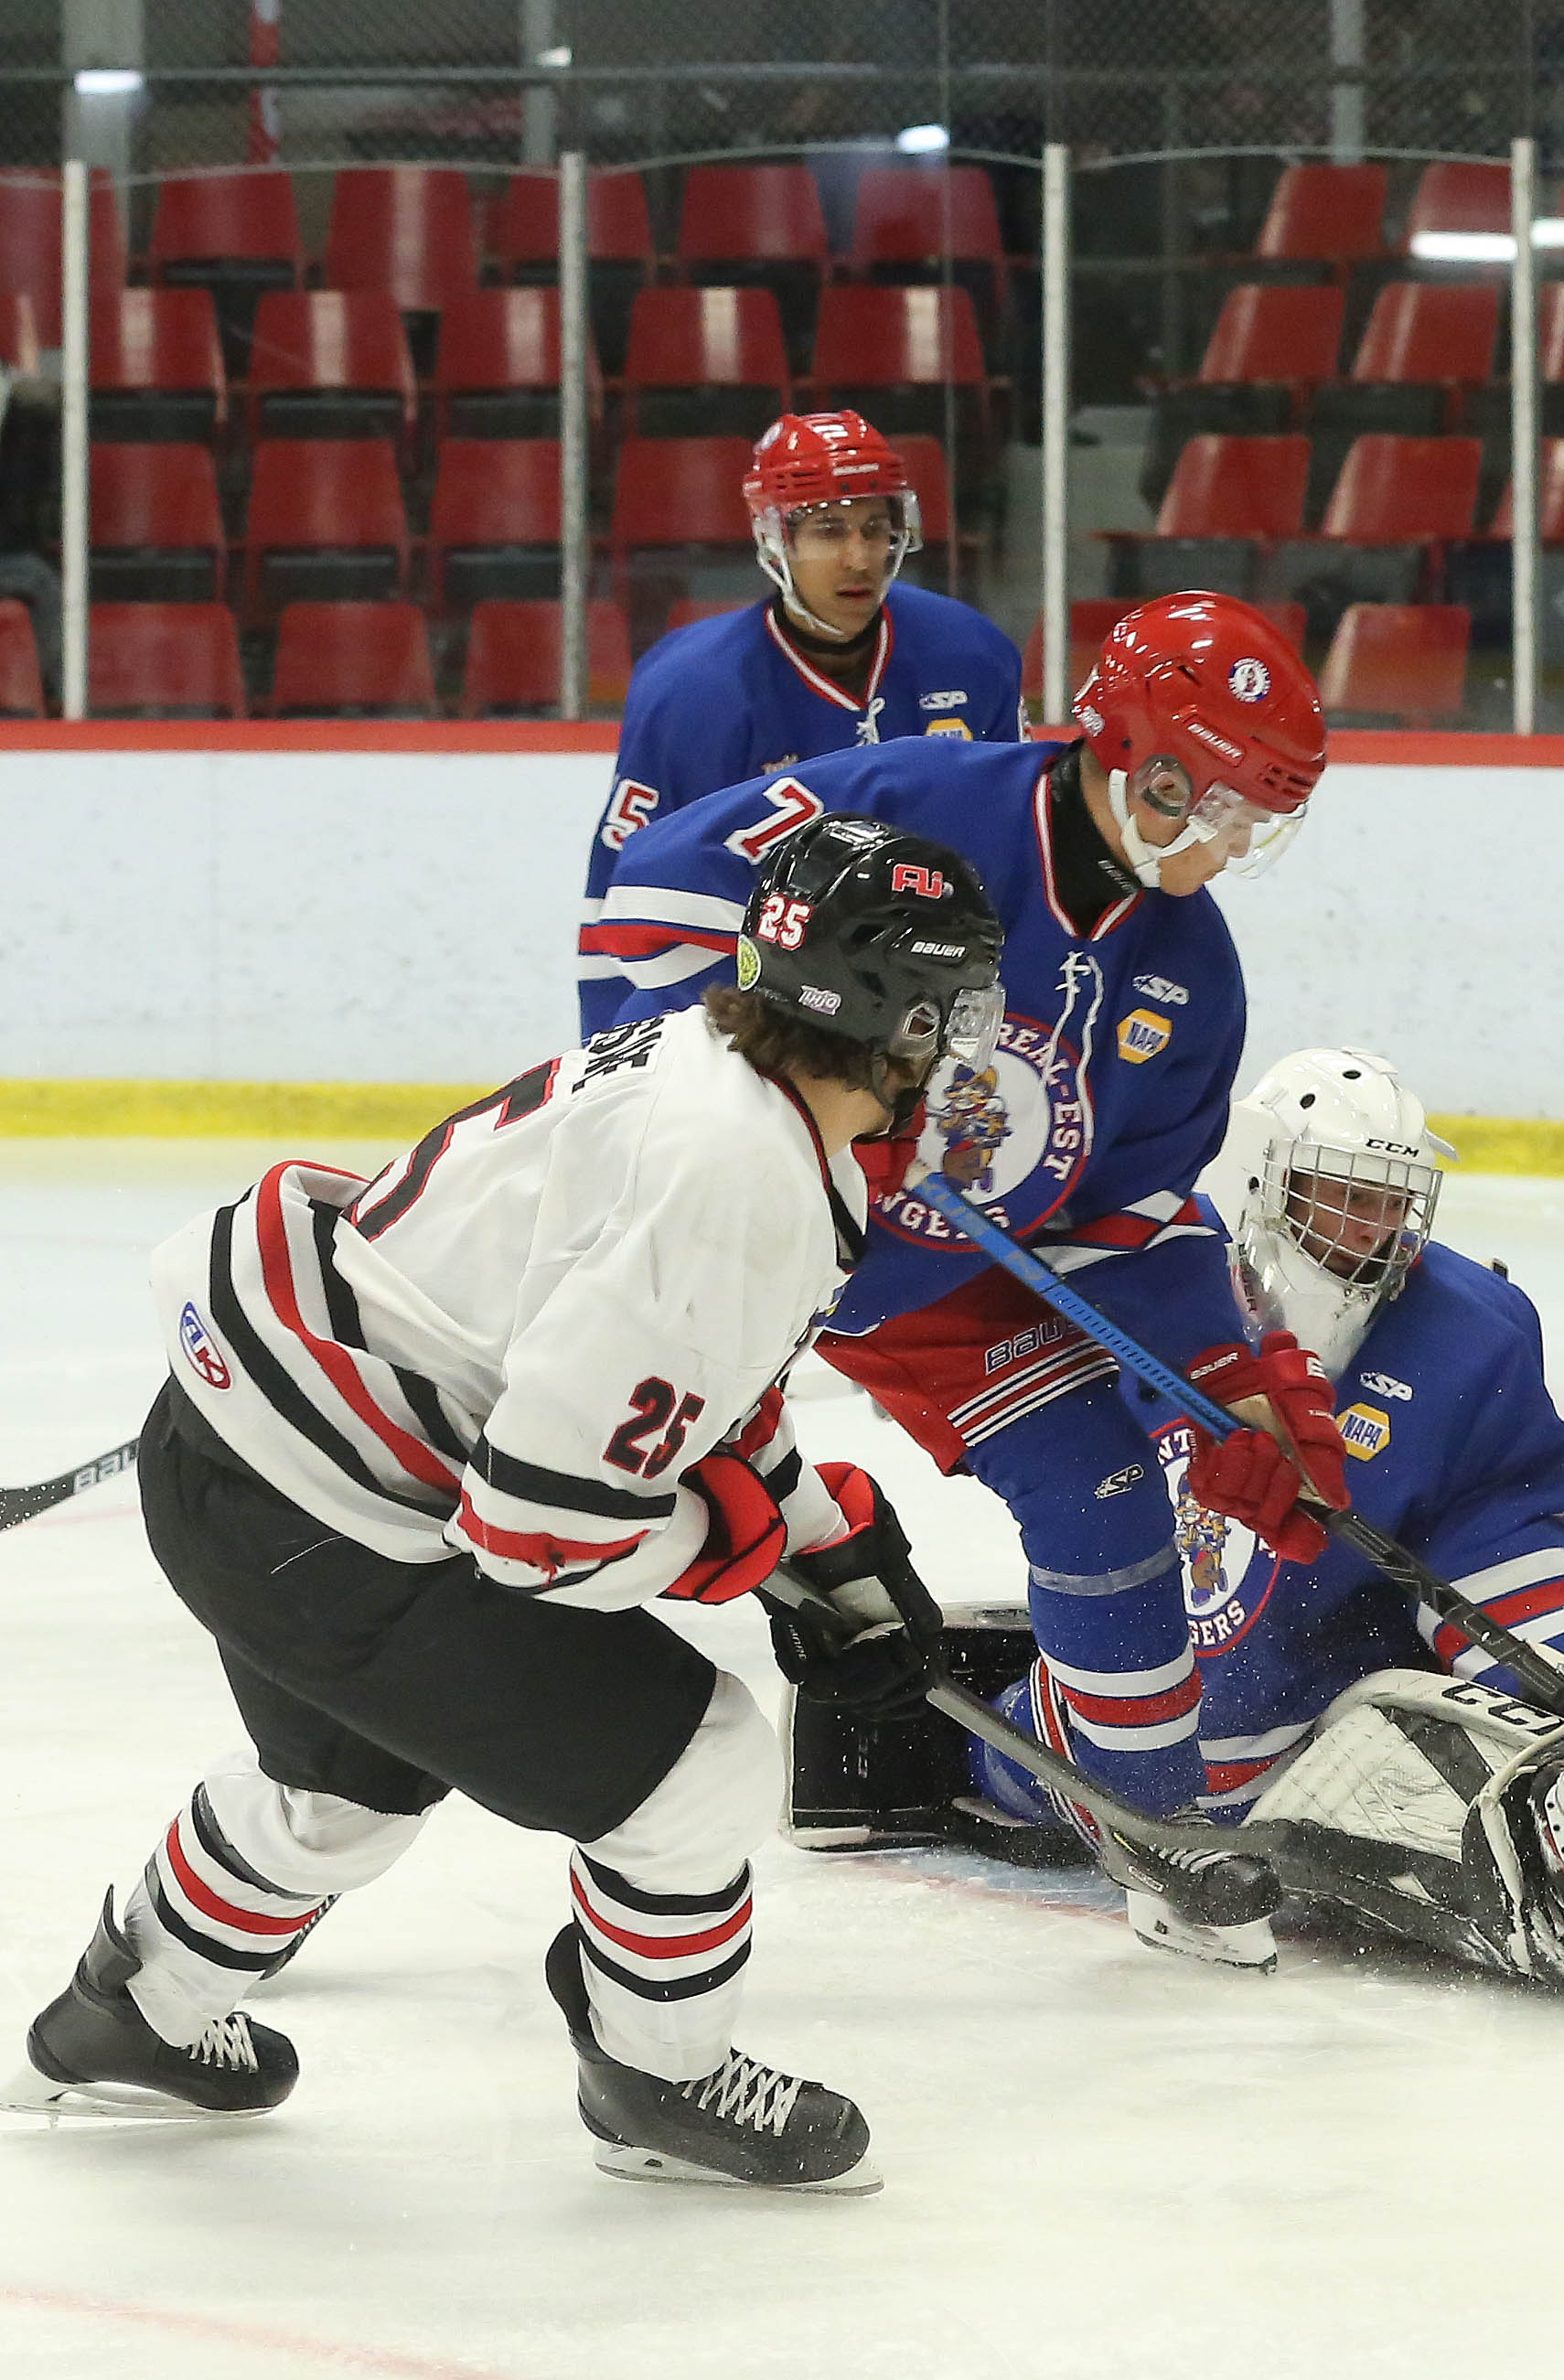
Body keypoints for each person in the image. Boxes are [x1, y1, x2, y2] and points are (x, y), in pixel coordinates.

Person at [8, 819, 1009, 2195]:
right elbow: (538, 1536)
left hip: (239, 1452)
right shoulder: (739, 1176)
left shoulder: (713, 1064)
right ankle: (658, 2075)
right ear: (896, 1013)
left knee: (345, 1790)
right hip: (329, 1511)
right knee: (695, 1764)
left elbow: (672, 1373)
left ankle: (132, 2008)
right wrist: (735, 1551)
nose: (969, 1043)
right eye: (959, 1009)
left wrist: (819, 1535)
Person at [595, 597, 1362, 1947]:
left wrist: (1228, 1384)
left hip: (930, 1283)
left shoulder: (1192, 975)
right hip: (754, 1226)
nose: (1233, 845)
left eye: (1261, 822)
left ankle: (1153, 1836)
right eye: (1218, 805)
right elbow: (652, 896)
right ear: (1139, 753)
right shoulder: (916, 803)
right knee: (562, 1502)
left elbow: (1121, 1221)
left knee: (1108, 1492)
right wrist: (728, 1124)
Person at [787, 1047, 1564, 2011]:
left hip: (1363, 1664)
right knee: (1170, 1733)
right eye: (1344, 1195)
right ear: (1265, 1178)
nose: (1371, 1227)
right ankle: (965, 1748)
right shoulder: (1147, 1296)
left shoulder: (1470, 1326)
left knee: (1503, 1727)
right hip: (1187, 1691)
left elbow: (1506, 1525)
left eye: (1391, 1201)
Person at [578, 408, 1025, 1034]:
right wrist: (612, 1053)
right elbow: (621, 899)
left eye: (875, 528)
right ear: (774, 537)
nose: (858, 557)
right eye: (828, 530)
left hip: (935, 1013)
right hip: (762, 1014)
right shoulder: (692, 692)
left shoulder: (971, 656)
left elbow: (1017, 852)